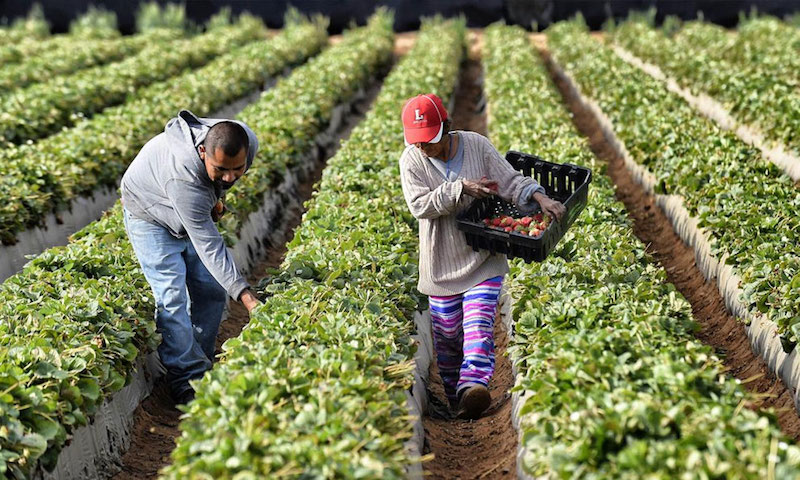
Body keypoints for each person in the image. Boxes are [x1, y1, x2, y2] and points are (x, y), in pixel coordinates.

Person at [398, 94, 565, 419]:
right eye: (417, 142)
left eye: (429, 140)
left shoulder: (476, 145)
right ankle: (456, 398)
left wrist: (539, 197)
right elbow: (419, 206)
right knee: (447, 339)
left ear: (446, 128)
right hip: (440, 263)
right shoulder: (411, 161)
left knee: (478, 325)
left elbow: (510, 180)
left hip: (482, 258)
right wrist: (461, 188)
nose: (423, 148)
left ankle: (473, 385)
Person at [120, 110, 262, 405]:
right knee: (172, 297)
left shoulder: (247, 141)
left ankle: (201, 362)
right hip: (149, 213)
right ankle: (187, 380)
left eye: (238, 169)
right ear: (202, 152)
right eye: (221, 169)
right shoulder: (183, 177)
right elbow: (210, 246)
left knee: (210, 288)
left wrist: (219, 194)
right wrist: (247, 297)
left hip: (187, 204)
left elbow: (220, 182)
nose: (230, 176)